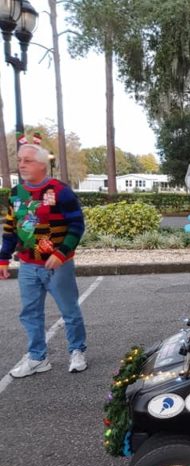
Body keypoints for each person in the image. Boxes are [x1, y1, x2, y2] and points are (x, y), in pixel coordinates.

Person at [0, 143, 87, 377]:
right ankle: (38, 358)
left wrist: (61, 253)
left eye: (27, 160)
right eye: (19, 160)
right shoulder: (16, 194)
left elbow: (77, 225)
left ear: (41, 164)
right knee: (30, 313)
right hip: (28, 265)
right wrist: (3, 259)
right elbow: (10, 228)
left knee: (69, 310)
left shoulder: (60, 191)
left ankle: (77, 351)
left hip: (58, 265)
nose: (21, 164)